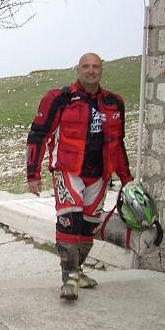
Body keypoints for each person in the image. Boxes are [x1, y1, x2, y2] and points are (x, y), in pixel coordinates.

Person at [26, 53, 133, 300]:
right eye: (86, 66)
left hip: (99, 174)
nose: (91, 71)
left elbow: (118, 144)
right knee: (69, 223)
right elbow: (37, 135)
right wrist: (33, 173)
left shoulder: (114, 103)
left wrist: (127, 180)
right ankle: (69, 279)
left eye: (95, 66)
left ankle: (78, 271)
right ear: (78, 69)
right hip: (68, 170)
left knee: (88, 228)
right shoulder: (58, 99)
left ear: (102, 70)